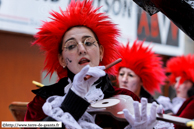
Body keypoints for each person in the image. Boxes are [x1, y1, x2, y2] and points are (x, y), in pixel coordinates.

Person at [24, 0, 166, 129]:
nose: (82, 49)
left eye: (88, 43)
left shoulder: (125, 98)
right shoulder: (42, 102)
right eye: (71, 45)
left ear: (101, 52)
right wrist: (75, 97)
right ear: (62, 59)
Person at [157, 54, 194, 129]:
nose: (177, 86)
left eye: (183, 82)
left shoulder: (192, 103)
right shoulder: (166, 103)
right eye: (176, 81)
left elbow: (178, 125)